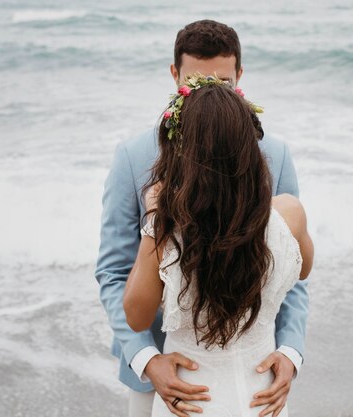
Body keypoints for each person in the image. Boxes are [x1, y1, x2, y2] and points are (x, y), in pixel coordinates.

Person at [95, 20, 311, 417]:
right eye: (195, 83)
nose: (208, 95)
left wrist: (290, 349)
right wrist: (145, 357)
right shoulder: (133, 157)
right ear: (174, 74)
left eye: (222, 84)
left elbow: (290, 265)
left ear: (240, 76)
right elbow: (113, 271)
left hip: (254, 367)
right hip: (163, 369)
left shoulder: (274, 154)